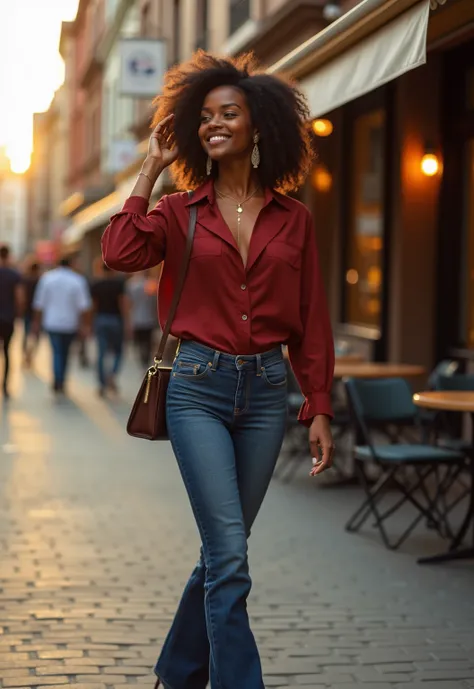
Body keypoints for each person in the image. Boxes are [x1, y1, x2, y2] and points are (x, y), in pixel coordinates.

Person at [102, 52, 335, 689]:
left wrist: (318, 404)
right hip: (197, 390)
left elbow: (312, 317)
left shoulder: (296, 219)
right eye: (204, 116)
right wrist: (151, 164)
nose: (214, 124)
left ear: (259, 126)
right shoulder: (180, 212)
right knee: (232, 555)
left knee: (221, 554)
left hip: (265, 395)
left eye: (229, 113)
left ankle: (177, 674)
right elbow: (119, 250)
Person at [33, 256, 92, 395]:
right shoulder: (77, 280)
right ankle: (61, 379)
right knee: (65, 353)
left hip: (52, 322)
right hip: (70, 323)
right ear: (71, 264)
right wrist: (85, 325)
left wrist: (36, 323)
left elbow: (38, 304)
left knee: (56, 352)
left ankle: (58, 379)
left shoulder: (47, 279)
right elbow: (84, 306)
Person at [90, 262, 128, 396]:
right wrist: (127, 323)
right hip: (115, 320)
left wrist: (90, 324)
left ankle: (102, 383)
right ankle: (112, 374)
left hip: (100, 319)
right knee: (118, 351)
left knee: (101, 353)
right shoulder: (119, 284)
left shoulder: (96, 284)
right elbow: (122, 304)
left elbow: (93, 306)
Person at [0, 244, 24, 399]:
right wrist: (18, 315)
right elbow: (20, 298)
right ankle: (5, 386)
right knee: (7, 352)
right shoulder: (14, 275)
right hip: (8, 318)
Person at [126, 270, 158, 367]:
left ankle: (142, 360)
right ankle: (146, 360)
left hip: (136, 318)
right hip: (148, 318)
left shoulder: (130, 284)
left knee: (139, 342)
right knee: (147, 341)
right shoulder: (151, 284)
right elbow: (154, 302)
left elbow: (128, 303)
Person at [22, 259, 41, 368]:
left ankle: (26, 354)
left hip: (27, 312)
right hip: (38, 313)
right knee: (36, 336)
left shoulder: (25, 280)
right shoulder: (41, 280)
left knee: (26, 334)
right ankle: (30, 355)